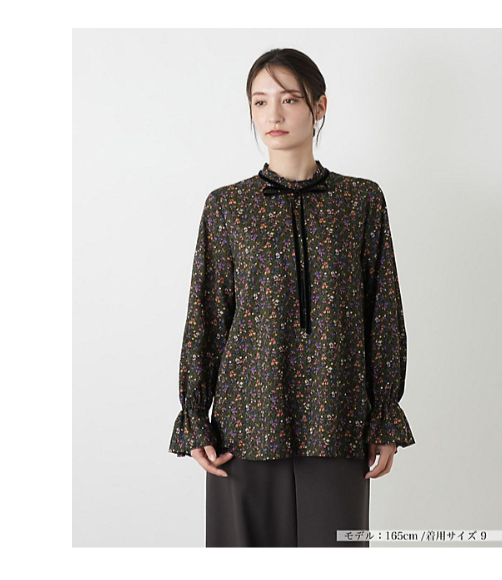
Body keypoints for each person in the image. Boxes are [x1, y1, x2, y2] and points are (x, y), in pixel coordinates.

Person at [168, 47, 416, 548]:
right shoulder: (227, 206)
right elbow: (206, 319)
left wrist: (385, 414)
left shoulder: (361, 201)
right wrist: (194, 416)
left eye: (289, 99)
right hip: (246, 427)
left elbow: (383, 315)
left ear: (319, 106)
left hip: (338, 418)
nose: (273, 115)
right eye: (260, 102)